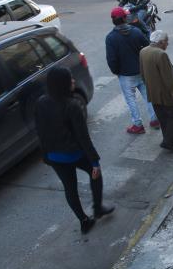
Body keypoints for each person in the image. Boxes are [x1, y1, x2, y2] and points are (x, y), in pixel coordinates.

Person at [35, 67, 114, 234]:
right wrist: (94, 162)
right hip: (74, 154)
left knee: (70, 189)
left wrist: (46, 156)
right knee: (95, 175)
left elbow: (41, 132)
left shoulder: (41, 102)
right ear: (62, 84)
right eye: (70, 79)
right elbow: (83, 137)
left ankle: (84, 220)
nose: (73, 81)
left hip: (55, 157)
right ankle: (98, 207)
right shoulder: (72, 106)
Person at [105, 7, 160, 134]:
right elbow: (147, 46)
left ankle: (138, 124)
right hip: (140, 70)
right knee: (148, 96)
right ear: (125, 18)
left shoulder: (111, 37)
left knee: (131, 100)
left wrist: (117, 71)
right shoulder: (136, 32)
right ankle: (155, 119)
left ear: (113, 20)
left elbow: (111, 59)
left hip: (125, 75)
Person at [140, 30, 173, 152]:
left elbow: (142, 73)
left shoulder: (143, 51)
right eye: (167, 42)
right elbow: (168, 79)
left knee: (163, 118)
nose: (167, 44)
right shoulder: (161, 54)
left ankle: (168, 139)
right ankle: (169, 142)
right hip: (166, 95)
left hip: (153, 94)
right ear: (161, 42)